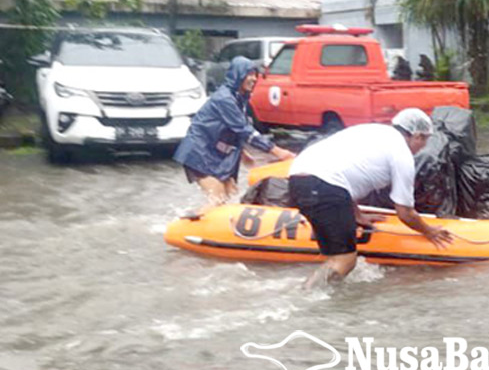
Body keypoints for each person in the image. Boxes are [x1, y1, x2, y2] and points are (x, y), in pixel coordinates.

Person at [287, 108, 453, 288]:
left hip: (297, 179)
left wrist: (356, 215)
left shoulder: (372, 131)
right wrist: (429, 231)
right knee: (345, 261)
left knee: (333, 254)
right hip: (324, 186)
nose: (423, 147)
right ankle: (306, 296)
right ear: (417, 136)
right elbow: (405, 213)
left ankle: (313, 289)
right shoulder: (401, 154)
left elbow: (344, 169)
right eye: (425, 140)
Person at [174, 56, 293, 213]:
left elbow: (233, 130)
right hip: (199, 153)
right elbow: (244, 129)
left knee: (231, 193)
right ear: (237, 75)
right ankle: (189, 227)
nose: (253, 78)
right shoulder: (224, 99)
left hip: (215, 154)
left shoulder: (240, 99)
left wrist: (243, 153)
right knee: (217, 199)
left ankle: (218, 227)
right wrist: (278, 151)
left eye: (254, 74)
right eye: (248, 74)